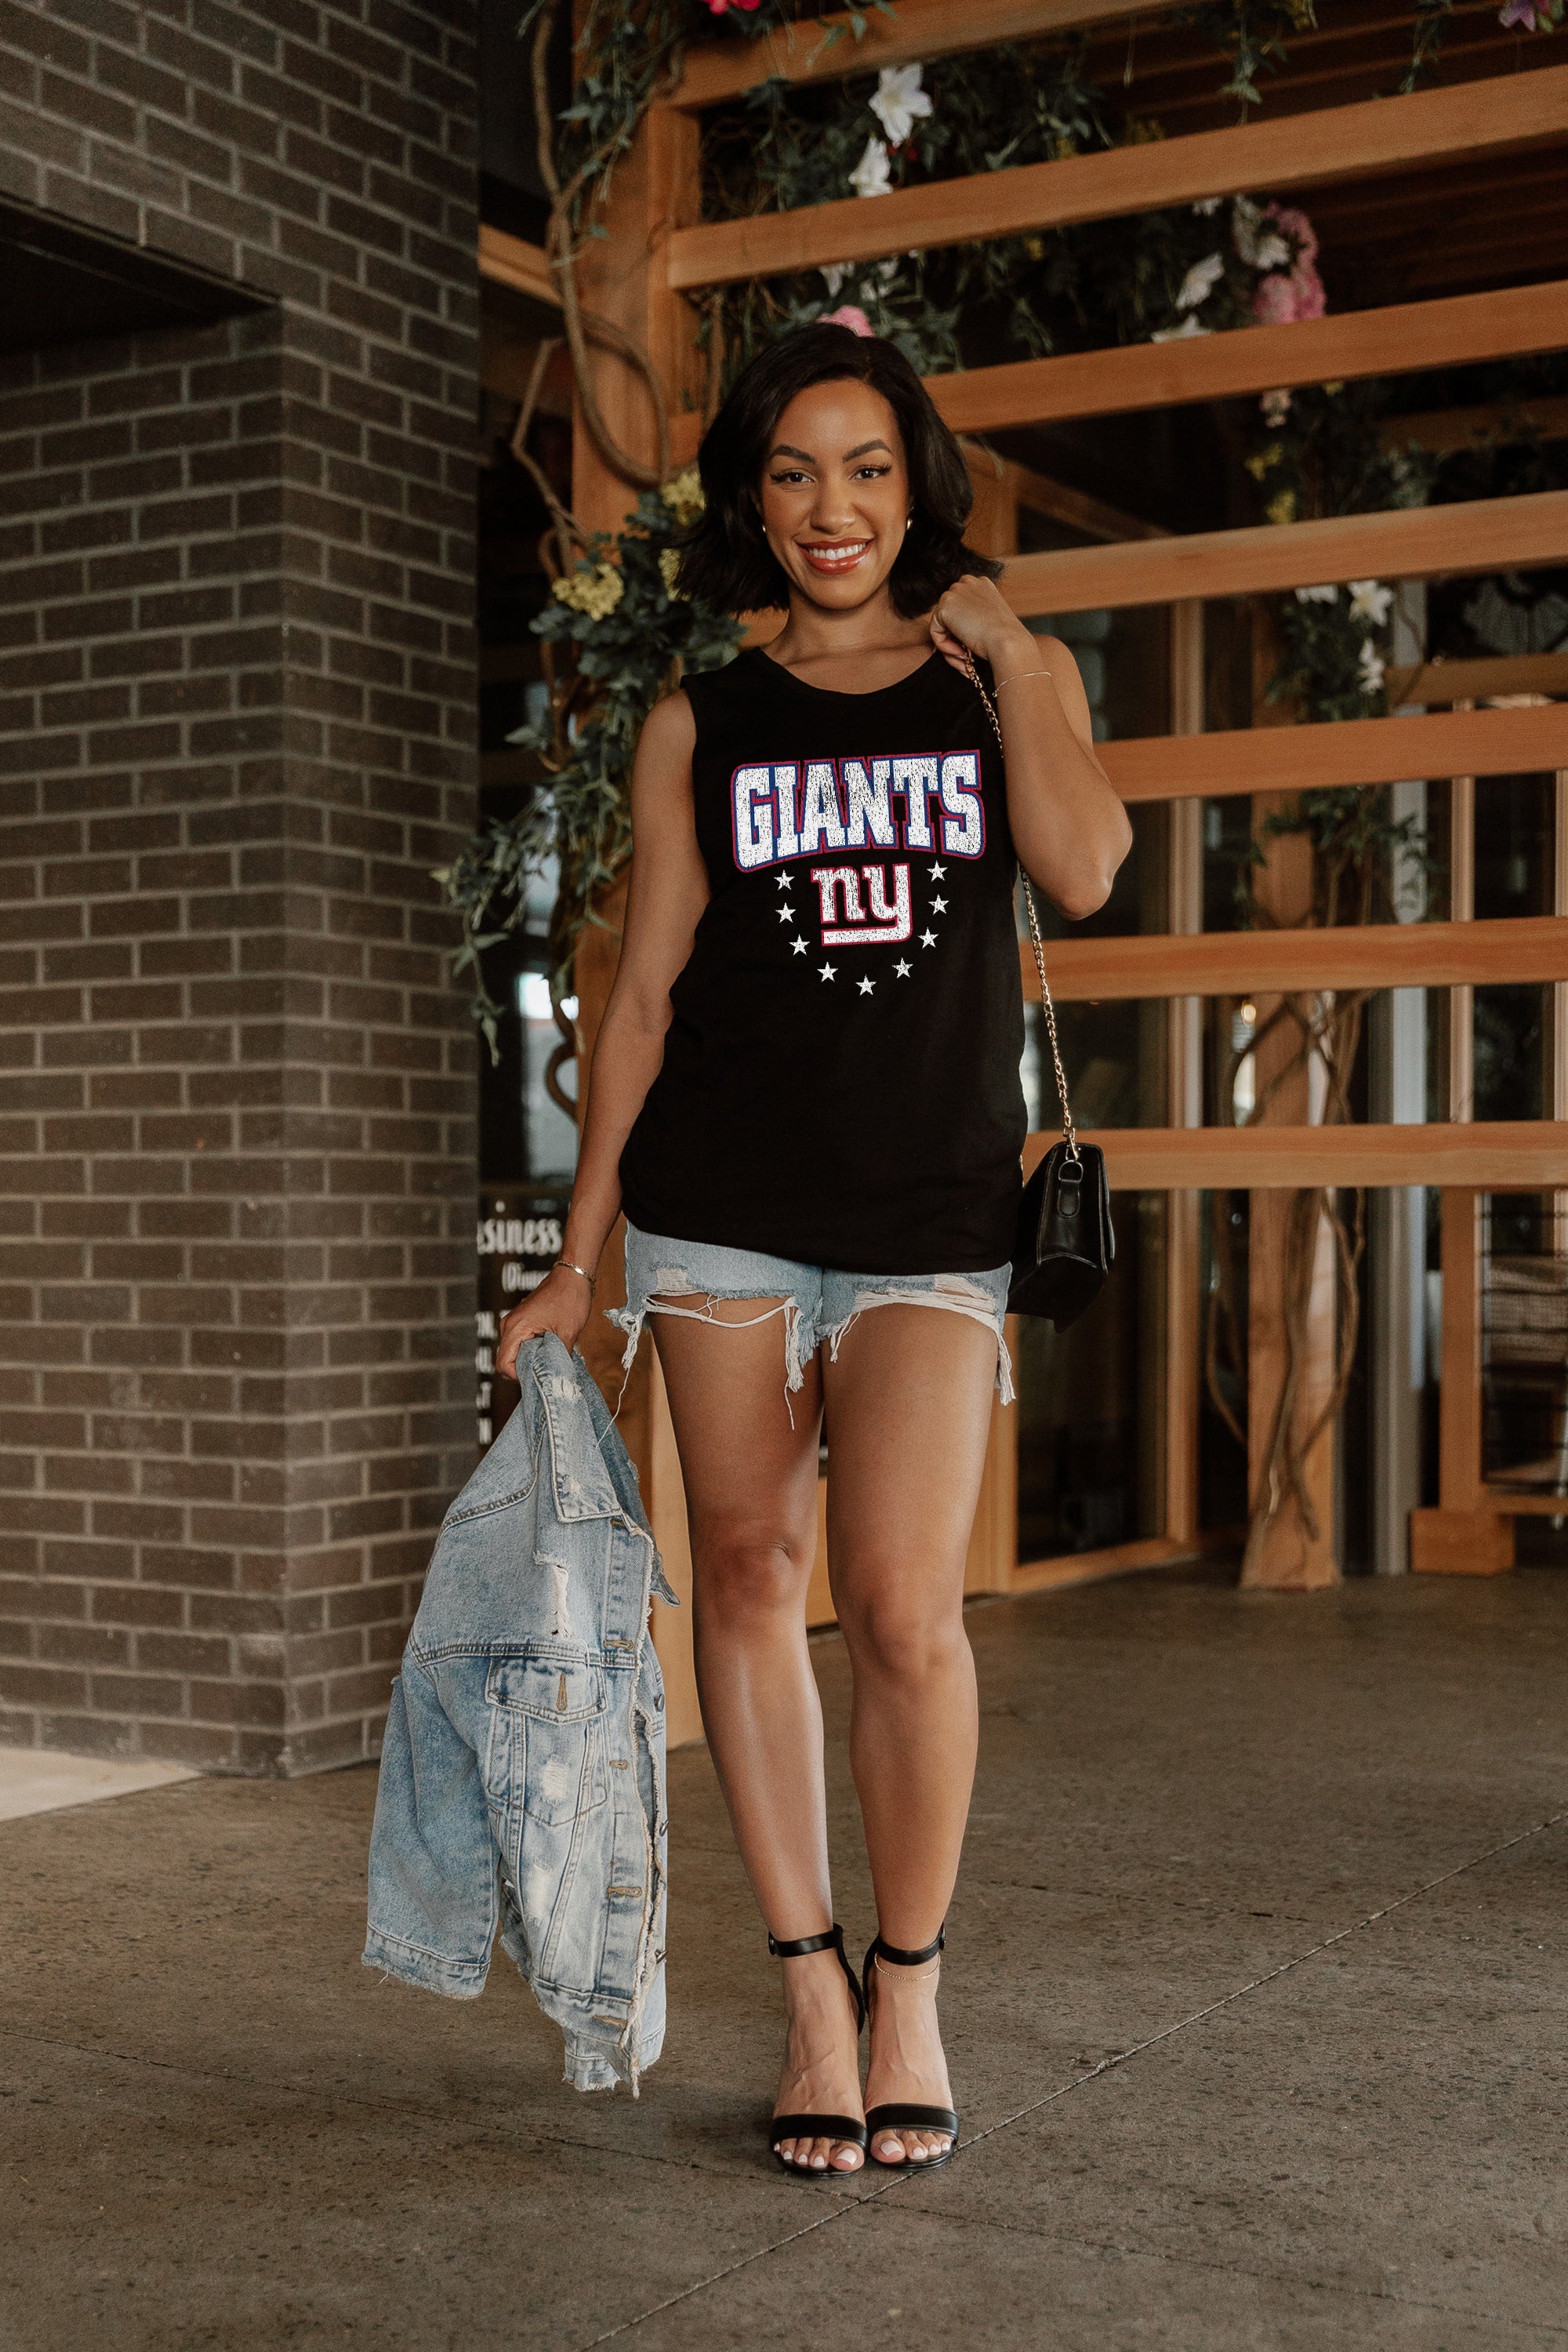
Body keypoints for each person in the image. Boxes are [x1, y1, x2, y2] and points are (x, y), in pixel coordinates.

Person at [496, 322, 1131, 2176]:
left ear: (916, 487)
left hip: (931, 1213)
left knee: (907, 1610)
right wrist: (578, 1256)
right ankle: (808, 1993)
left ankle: (908, 1980)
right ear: (753, 503)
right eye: (790, 473)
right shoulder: (703, 718)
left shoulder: (995, 683)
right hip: (720, 1208)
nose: (828, 507)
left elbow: (1086, 869)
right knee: (751, 1575)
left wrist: (1018, 654)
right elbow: (639, 999)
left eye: (863, 468)